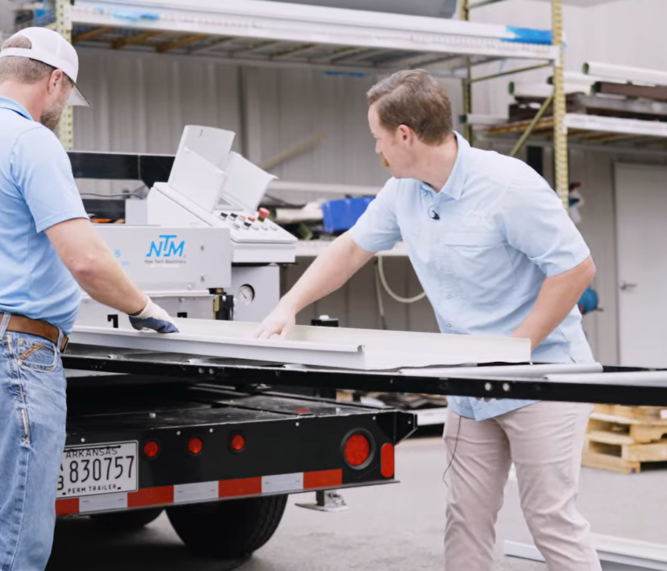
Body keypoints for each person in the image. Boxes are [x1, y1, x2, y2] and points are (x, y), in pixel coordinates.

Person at [256, 69, 602, 571]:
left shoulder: (507, 186)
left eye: (378, 139)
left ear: (405, 135)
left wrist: (511, 350)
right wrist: (288, 304)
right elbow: (350, 249)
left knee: (549, 516)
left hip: (544, 378)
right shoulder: (404, 192)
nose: (377, 151)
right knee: (466, 515)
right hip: (470, 385)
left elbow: (576, 269)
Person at [0, 27, 178, 571]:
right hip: (17, 359)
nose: (61, 108)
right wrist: (145, 310)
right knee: (15, 548)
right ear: (54, 81)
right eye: (66, 94)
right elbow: (86, 260)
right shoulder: (31, 141)